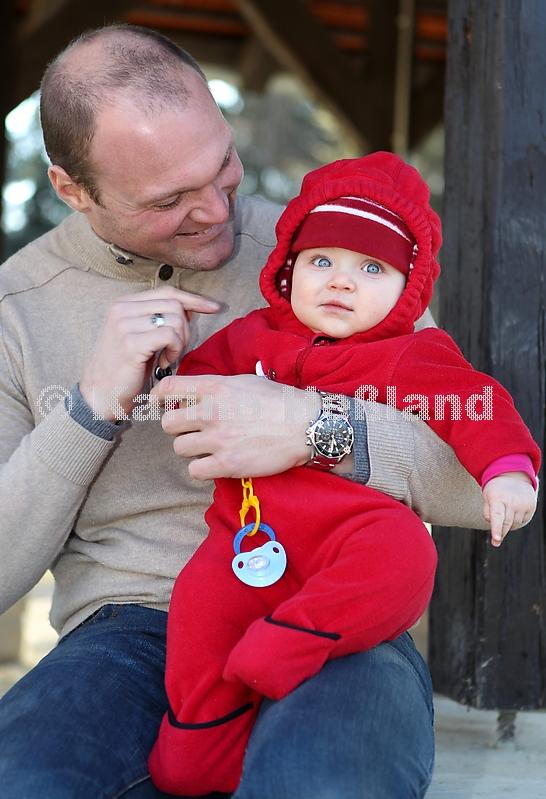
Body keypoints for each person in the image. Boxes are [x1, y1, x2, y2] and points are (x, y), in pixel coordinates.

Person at [0, 23, 522, 799]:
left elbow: (475, 482)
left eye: (222, 166)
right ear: (72, 189)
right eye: (169, 199)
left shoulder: (342, 251)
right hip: (130, 628)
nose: (216, 210)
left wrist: (315, 428)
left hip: (338, 614)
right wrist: (90, 408)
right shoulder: (16, 307)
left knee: (319, 783)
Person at [147, 153, 539, 795]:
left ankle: (289, 642)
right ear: (288, 268)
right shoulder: (249, 338)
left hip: (350, 527)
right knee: (199, 610)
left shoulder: (410, 354)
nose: (342, 283)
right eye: (322, 261)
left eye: (372, 268)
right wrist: (168, 374)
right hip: (245, 534)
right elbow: (190, 391)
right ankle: (198, 746)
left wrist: (507, 470)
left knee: (405, 553)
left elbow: (476, 406)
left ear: (407, 288)